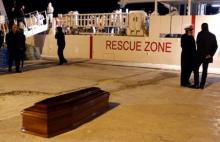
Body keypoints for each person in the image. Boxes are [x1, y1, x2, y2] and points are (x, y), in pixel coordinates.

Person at [192, 23, 218, 89]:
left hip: (200, 56)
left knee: (195, 68)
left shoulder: (200, 34)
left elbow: (197, 44)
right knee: (205, 70)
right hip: (207, 57)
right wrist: (210, 55)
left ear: (202, 27)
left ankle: (196, 84)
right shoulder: (212, 35)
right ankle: (202, 85)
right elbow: (215, 46)